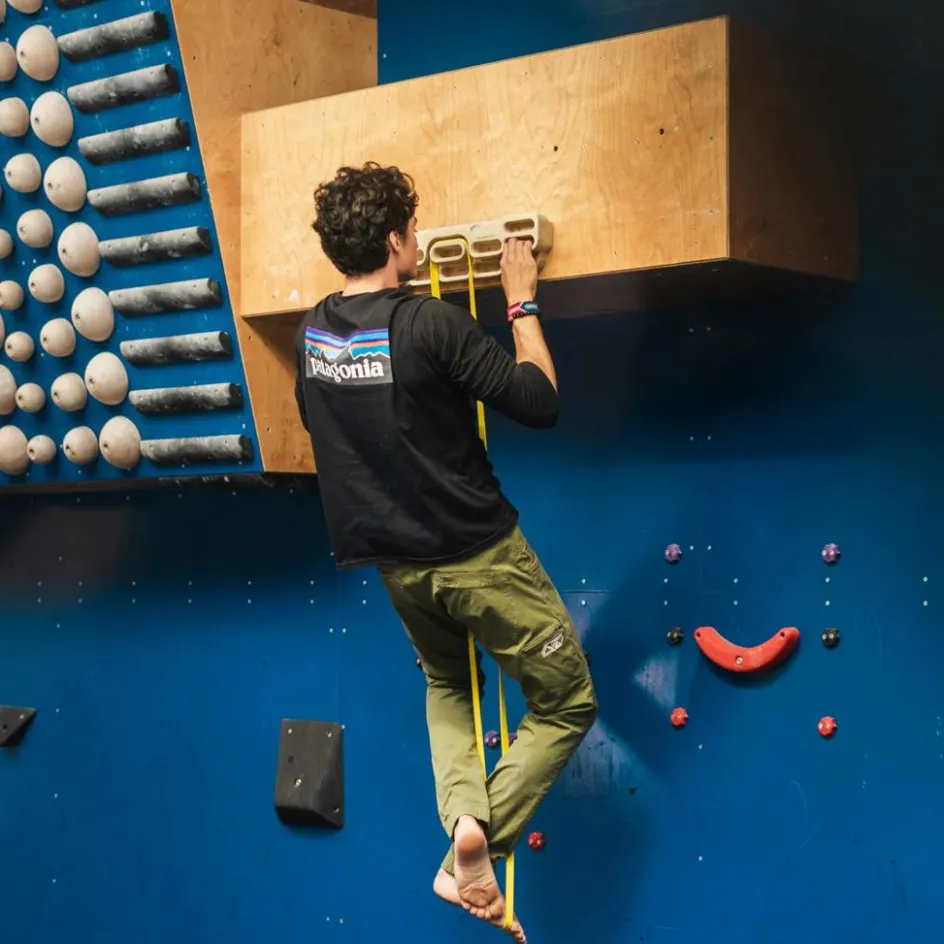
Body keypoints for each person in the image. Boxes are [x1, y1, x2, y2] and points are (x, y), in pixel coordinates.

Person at [294, 163, 598, 941]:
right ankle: (477, 845)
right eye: (413, 228)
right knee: (567, 702)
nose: (418, 238)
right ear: (398, 239)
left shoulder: (314, 333)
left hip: (394, 563)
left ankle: (464, 818)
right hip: (477, 554)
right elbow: (538, 401)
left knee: (447, 681)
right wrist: (520, 300)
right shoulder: (431, 324)